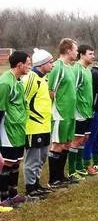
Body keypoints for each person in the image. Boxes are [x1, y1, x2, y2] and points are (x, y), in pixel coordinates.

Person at [0, 51, 30, 207]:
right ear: (20, 65)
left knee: (17, 161)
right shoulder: (5, 83)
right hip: (8, 130)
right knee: (7, 163)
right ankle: (2, 199)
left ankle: (13, 194)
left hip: (18, 128)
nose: (29, 67)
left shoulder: (18, 80)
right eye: (28, 64)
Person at [22, 48, 54, 197]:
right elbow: (23, 102)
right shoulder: (30, 78)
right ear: (42, 64)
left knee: (41, 158)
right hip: (33, 127)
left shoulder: (44, 79)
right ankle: (30, 188)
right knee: (32, 159)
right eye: (50, 62)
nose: (53, 65)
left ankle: (36, 184)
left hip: (45, 125)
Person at [48, 38, 79, 186]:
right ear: (68, 50)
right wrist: (57, 107)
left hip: (70, 113)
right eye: (75, 50)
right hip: (60, 113)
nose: (77, 52)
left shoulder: (70, 68)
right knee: (57, 144)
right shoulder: (57, 67)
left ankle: (61, 176)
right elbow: (50, 91)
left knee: (66, 143)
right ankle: (53, 179)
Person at [68, 44, 95, 181]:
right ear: (82, 55)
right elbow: (73, 90)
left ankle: (79, 166)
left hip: (88, 111)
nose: (93, 56)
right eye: (90, 54)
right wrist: (76, 108)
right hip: (79, 111)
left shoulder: (88, 70)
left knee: (84, 139)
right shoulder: (77, 69)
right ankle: (72, 171)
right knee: (76, 140)